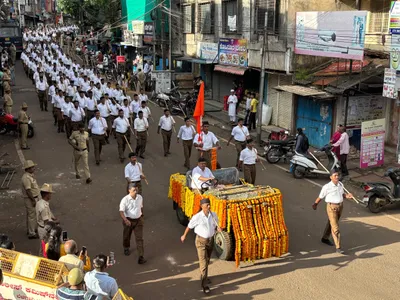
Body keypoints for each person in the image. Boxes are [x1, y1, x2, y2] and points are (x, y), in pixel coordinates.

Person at [180, 198, 221, 294]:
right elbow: (189, 226)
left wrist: (218, 228)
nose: (209, 207)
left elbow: (215, 226)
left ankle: (204, 276)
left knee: (207, 260)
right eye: (207, 205)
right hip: (200, 242)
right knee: (203, 263)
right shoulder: (197, 217)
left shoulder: (213, 215)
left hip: (210, 241)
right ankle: (204, 285)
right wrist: (184, 236)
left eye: (209, 205)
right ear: (202, 207)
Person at [312, 170, 353, 254]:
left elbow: (342, 194)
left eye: (337, 175)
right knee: (335, 228)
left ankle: (325, 238)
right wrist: (315, 204)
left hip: (340, 206)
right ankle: (338, 247)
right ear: (331, 177)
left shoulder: (341, 185)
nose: (337, 177)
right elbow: (320, 197)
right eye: (335, 176)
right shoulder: (326, 187)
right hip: (331, 207)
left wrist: (347, 196)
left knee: (331, 222)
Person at [119, 183, 146, 263]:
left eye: (136, 189)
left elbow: (141, 207)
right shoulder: (125, 200)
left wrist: (142, 217)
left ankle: (141, 256)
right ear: (129, 190)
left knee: (139, 239)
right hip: (128, 221)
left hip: (138, 221)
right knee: (127, 236)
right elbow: (121, 211)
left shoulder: (140, 198)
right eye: (134, 190)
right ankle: (126, 247)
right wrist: (126, 220)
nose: (136, 191)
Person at [21, 160, 40, 239]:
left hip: (33, 197)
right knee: (32, 216)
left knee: (32, 215)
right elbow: (28, 190)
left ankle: (31, 230)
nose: (34, 168)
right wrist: (33, 200)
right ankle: (32, 233)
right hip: (30, 198)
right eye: (32, 167)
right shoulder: (26, 178)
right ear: (28, 168)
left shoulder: (30, 176)